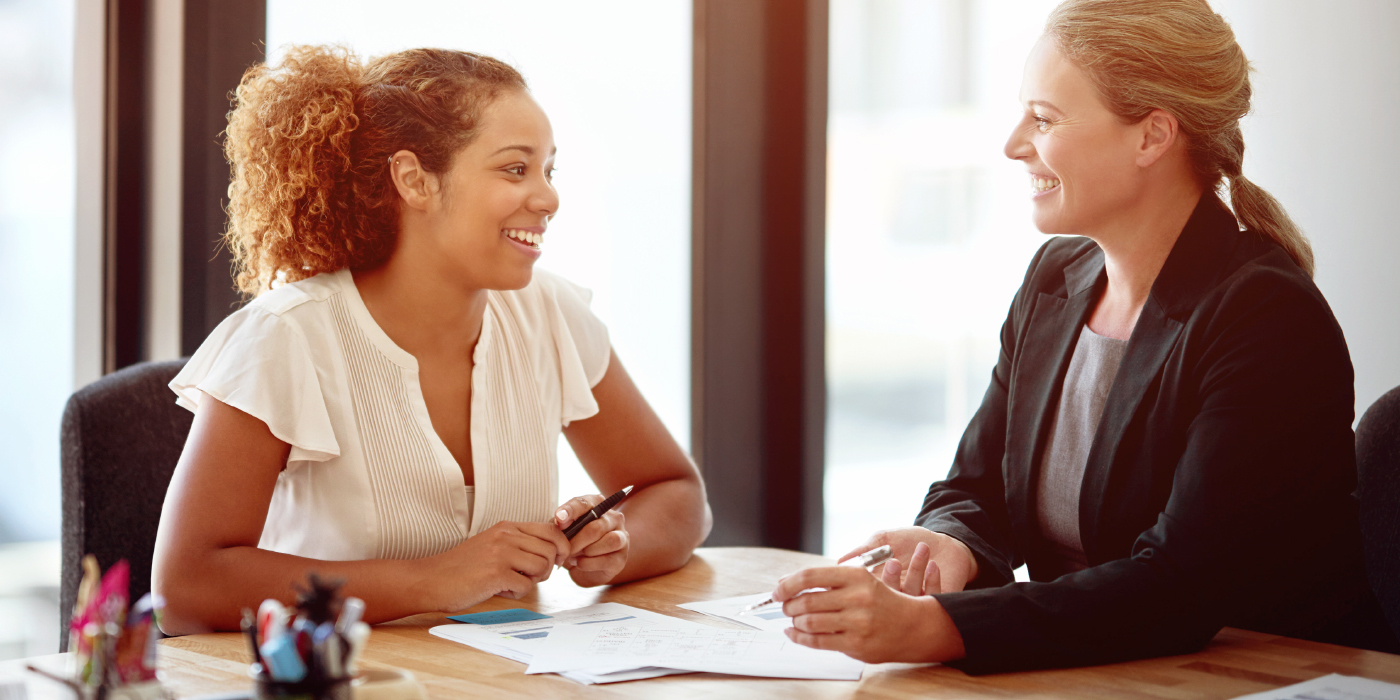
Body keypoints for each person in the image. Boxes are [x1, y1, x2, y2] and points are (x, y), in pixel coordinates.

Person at [772, 0, 1397, 672]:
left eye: (1043, 119)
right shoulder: (1057, 278)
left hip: (1249, 682)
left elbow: (1179, 586)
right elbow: (976, 489)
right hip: (1099, 675)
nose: (1014, 144)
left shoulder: (1266, 316)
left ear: (1152, 137)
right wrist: (945, 543)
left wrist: (934, 629)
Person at [151, 46, 712, 634]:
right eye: (515, 169)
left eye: (548, 170)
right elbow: (186, 586)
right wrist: (433, 579)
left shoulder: (548, 312)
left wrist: (620, 545)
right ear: (415, 180)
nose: (548, 198)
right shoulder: (284, 339)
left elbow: (676, 493)